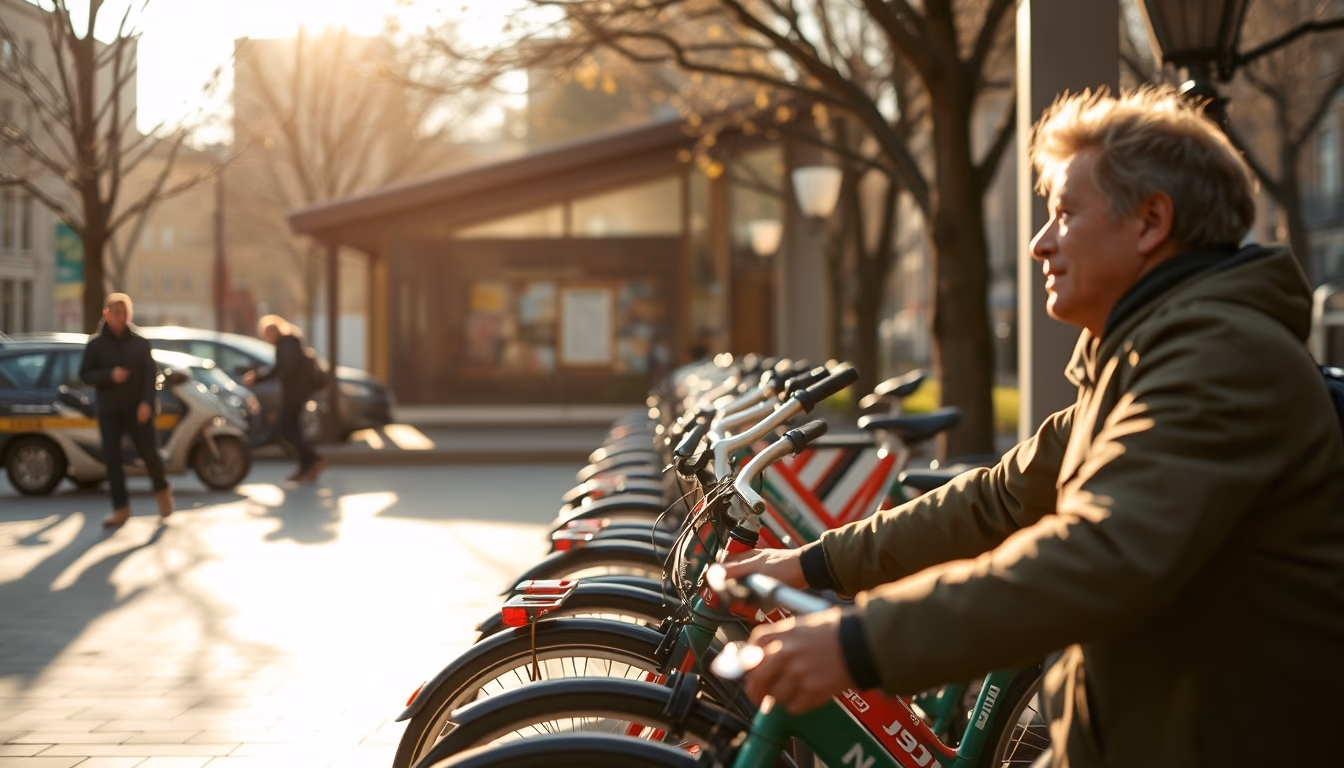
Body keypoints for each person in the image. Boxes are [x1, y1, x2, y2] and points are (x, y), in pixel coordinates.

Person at [723, 86, 1344, 767]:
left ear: (1150, 221)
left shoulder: (1220, 362)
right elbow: (998, 497)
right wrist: (813, 564)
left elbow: (1103, 553)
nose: (1038, 243)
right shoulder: (1144, 360)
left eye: (1065, 213)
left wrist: (860, 644)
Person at [79, 293, 174, 527]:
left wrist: (146, 404)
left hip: (138, 409)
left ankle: (162, 491)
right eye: (116, 312)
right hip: (110, 410)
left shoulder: (140, 343)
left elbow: (150, 376)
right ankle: (120, 509)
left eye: (124, 312)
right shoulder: (96, 344)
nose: (121, 317)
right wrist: (109, 375)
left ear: (129, 314)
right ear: (106, 314)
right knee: (112, 460)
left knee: (150, 454)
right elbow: (85, 374)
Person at [244, 315, 326, 483]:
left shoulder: (287, 343)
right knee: (292, 429)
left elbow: (284, 368)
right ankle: (307, 466)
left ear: (275, 331)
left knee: (286, 428)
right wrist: (260, 377)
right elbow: (281, 368)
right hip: (296, 392)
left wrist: (259, 377)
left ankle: (313, 460)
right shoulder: (288, 342)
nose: (267, 339)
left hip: (295, 393)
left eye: (267, 334)